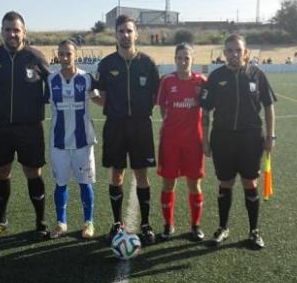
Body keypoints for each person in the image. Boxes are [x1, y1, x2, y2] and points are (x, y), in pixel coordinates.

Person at [0, 11, 51, 241]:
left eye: (16, 29)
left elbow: (54, 85)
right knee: (2, 172)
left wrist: (42, 104)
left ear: (24, 32)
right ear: (2, 32)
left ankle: (40, 223)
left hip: (29, 128)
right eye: (7, 29)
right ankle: (0, 221)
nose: (12, 34)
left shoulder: (36, 57)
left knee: (33, 172)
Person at [200, 34, 276, 250]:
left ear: (246, 53)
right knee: (225, 183)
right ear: (224, 53)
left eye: (238, 50)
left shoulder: (256, 75)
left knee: (250, 183)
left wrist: (271, 136)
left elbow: (269, 106)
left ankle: (254, 231)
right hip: (222, 138)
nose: (234, 54)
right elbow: (205, 110)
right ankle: (223, 227)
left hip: (251, 138)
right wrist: (204, 140)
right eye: (230, 50)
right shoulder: (215, 77)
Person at [94, 14, 160, 245]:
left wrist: (140, 111)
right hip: (115, 125)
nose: (125, 35)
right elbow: (100, 96)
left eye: (129, 31)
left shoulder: (147, 63)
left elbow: (155, 96)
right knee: (117, 173)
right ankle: (116, 222)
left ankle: (146, 224)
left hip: (141, 125)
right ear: (116, 35)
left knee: (142, 174)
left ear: (136, 34)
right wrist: (116, 109)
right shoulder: (107, 64)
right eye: (121, 31)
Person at [47, 39, 102, 240]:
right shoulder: (50, 80)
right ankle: (61, 223)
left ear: (75, 55)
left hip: (83, 141)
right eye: (61, 54)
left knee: (85, 183)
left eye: (68, 54)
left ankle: (88, 222)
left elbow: (99, 100)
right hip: (59, 142)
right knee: (60, 184)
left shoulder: (87, 79)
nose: (64, 58)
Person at [156, 43, 206, 241]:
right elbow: (161, 107)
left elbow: (207, 109)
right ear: (175, 59)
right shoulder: (167, 81)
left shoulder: (201, 81)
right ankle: (168, 225)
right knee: (168, 183)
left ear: (192, 60)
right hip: (170, 141)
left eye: (187, 58)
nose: (183, 62)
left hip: (194, 141)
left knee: (194, 184)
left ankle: (195, 226)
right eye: (179, 58)